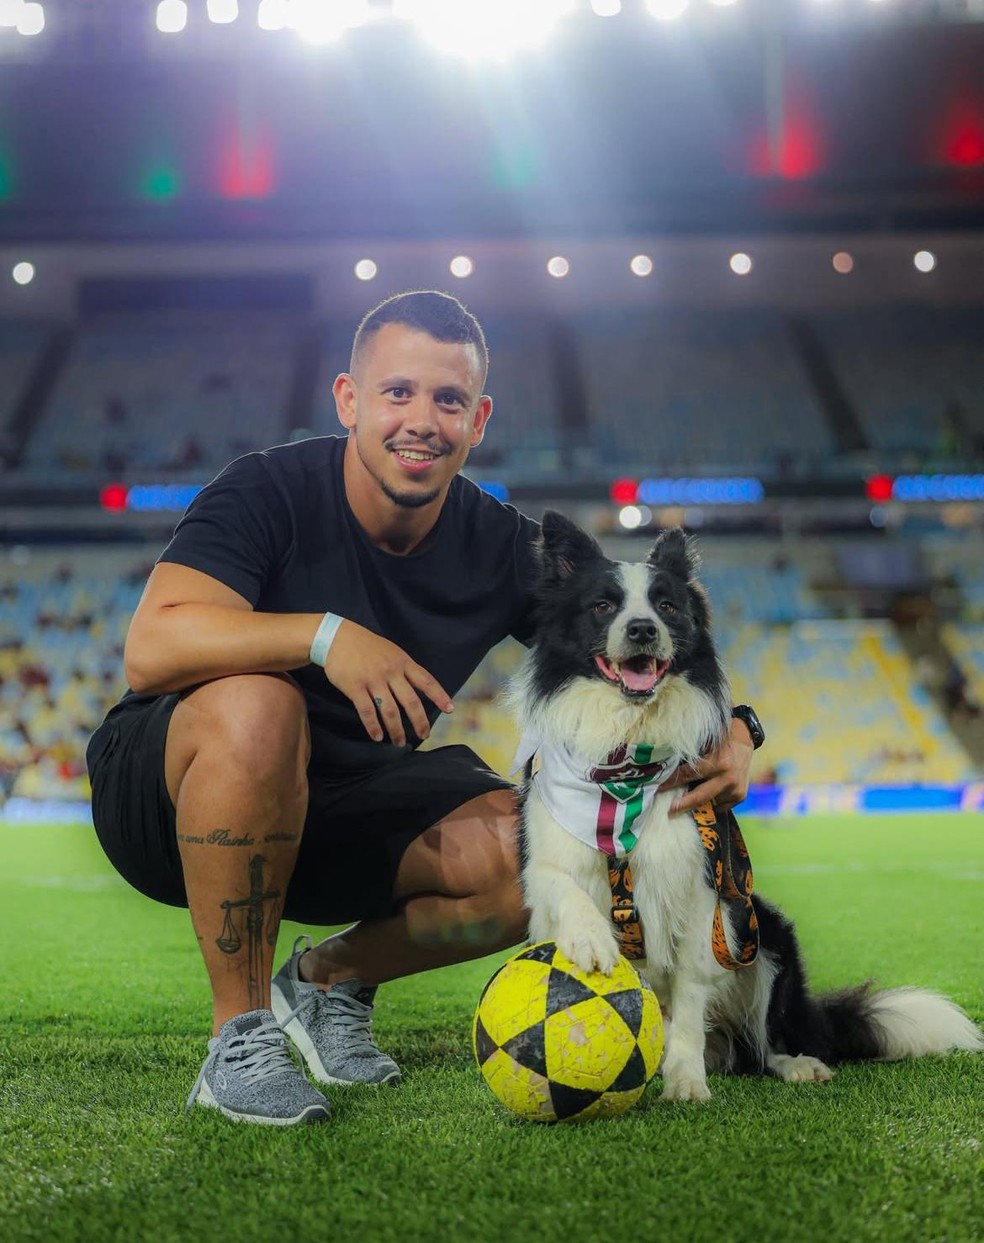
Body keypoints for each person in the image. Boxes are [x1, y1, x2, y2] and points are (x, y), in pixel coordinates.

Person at [86, 290, 755, 1126]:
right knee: (263, 705)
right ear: (349, 400)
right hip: (174, 795)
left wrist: (738, 725)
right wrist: (325, 637)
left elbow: (616, 626)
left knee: (527, 859)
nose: (421, 420)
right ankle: (240, 1039)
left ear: (477, 420)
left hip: (346, 804)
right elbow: (152, 648)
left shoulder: (499, 543)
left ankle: (327, 978)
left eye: (446, 400)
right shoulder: (264, 489)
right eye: (397, 392)